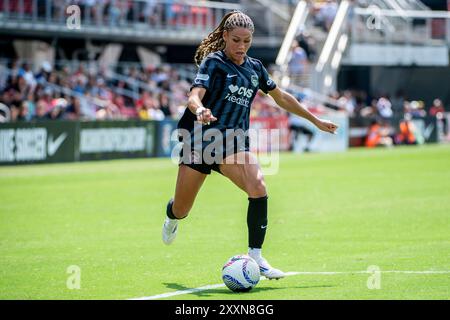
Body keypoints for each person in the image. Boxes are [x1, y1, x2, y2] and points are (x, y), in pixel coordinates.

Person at [161, 10, 338, 280]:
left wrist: (315, 120)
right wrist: (199, 110)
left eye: (246, 41)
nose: (241, 47)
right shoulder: (214, 62)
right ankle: (172, 217)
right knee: (182, 209)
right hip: (200, 141)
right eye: (236, 40)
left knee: (258, 186)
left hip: (233, 144)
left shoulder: (255, 68)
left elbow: (282, 97)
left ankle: (256, 256)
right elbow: (194, 96)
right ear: (225, 37)